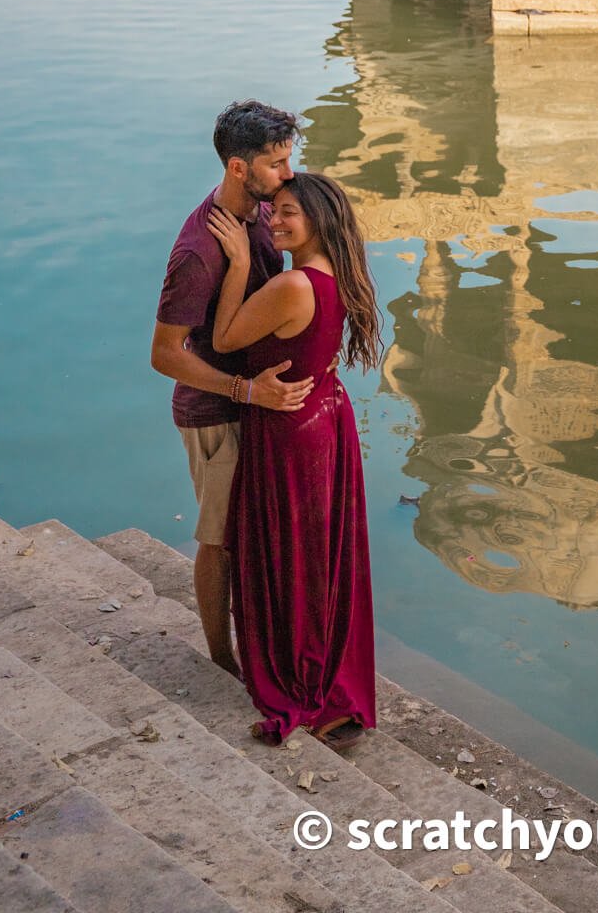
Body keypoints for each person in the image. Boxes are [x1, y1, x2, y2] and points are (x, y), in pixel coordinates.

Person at [207, 169, 380, 748]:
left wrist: (236, 265)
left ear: (318, 223)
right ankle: (329, 673)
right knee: (320, 555)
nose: (273, 221)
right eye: (272, 209)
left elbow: (226, 338)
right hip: (326, 416)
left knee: (290, 556)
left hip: (289, 429)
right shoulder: (337, 276)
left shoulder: (292, 287)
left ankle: (304, 682)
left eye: (288, 213)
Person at [150, 100, 312, 674]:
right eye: (275, 163)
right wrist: (244, 392)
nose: (287, 173)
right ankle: (222, 661)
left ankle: (267, 644)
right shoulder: (198, 251)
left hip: (257, 402)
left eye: (289, 158)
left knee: (256, 534)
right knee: (218, 540)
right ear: (239, 168)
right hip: (216, 414)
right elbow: (165, 355)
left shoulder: (261, 219)